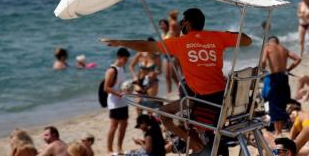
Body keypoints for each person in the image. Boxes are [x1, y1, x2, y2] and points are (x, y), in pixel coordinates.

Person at [103, 8, 252, 151]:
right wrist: (229, 34)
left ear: (187, 23)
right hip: (222, 100)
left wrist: (121, 42)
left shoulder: (181, 42)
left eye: (183, 21)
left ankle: (196, 147)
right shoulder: (217, 36)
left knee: (163, 113)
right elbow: (247, 41)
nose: (181, 24)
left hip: (203, 103)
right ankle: (200, 146)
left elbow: (145, 45)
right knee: (182, 114)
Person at [261, 36, 301, 134]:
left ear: (269, 42)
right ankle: (282, 128)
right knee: (283, 102)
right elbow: (298, 59)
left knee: (273, 103)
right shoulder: (283, 49)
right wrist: (288, 69)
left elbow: (263, 62)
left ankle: (278, 131)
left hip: (275, 77)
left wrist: (264, 72)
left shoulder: (268, 47)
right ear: (277, 42)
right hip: (284, 76)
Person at [102, 48, 130, 155]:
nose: (126, 61)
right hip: (114, 102)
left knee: (124, 124)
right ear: (119, 57)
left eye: (127, 59)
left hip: (123, 101)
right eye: (125, 59)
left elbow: (121, 84)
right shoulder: (111, 70)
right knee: (113, 126)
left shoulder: (122, 68)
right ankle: (109, 149)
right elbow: (106, 88)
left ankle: (119, 148)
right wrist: (118, 94)